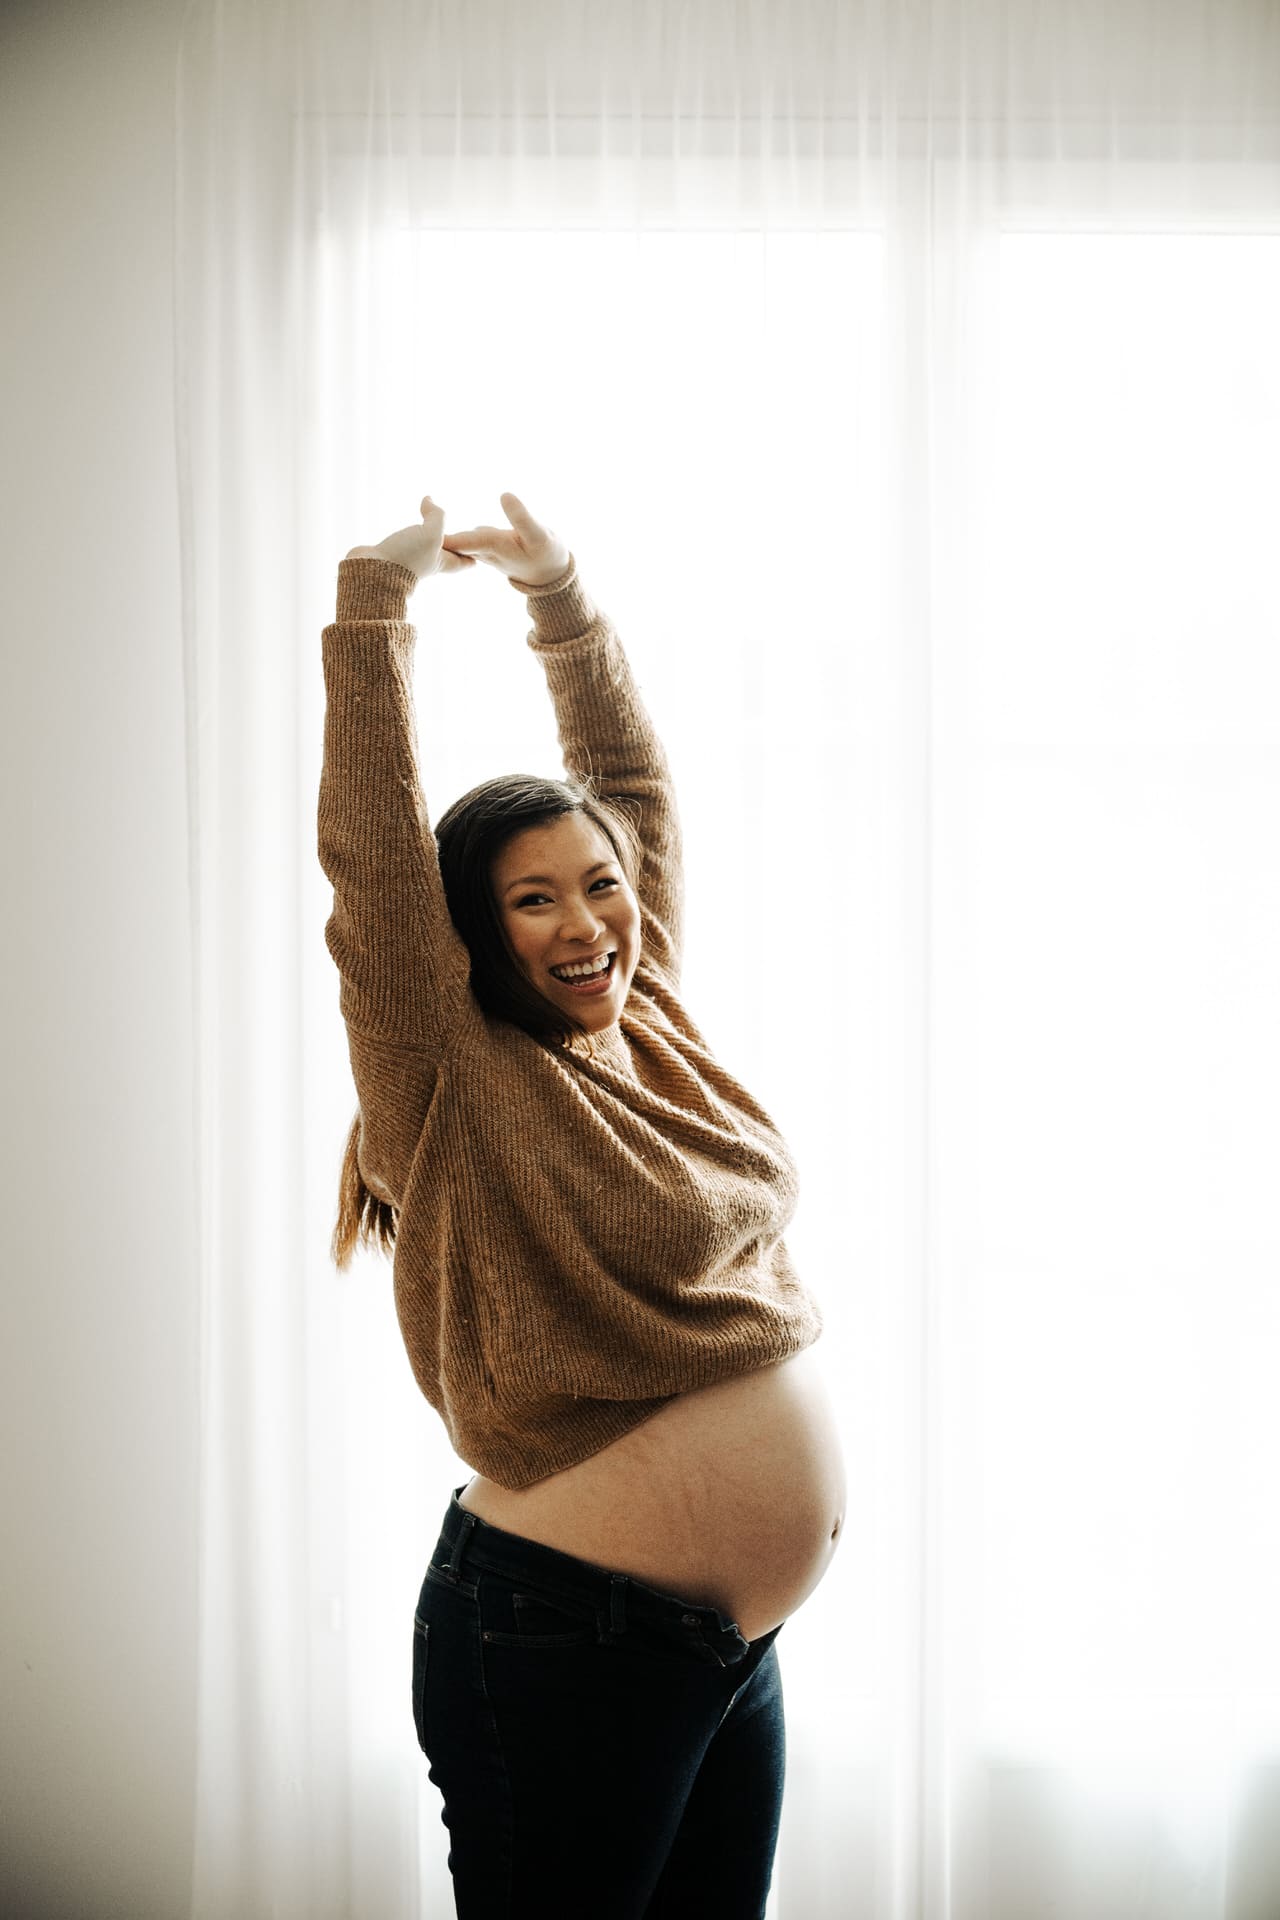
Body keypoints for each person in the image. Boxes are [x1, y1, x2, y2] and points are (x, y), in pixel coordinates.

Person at [318, 490, 846, 1918]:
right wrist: (375, 606)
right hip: (565, 1640)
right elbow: (375, 866)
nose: (587, 922)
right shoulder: (451, 1074)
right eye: (531, 900)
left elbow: (633, 784)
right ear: (472, 934)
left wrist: (562, 597)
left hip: (729, 1649)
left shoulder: (646, 1012)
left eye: (598, 888)